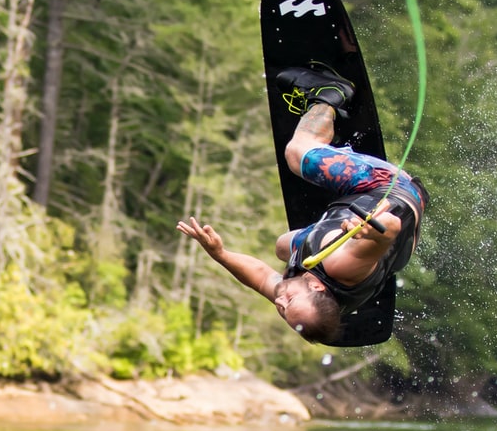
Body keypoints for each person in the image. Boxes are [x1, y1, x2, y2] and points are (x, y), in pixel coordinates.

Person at [177, 65, 425, 345]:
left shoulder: (296, 294)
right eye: (288, 301)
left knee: (283, 247)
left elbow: (259, 277)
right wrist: (374, 230)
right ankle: (330, 94)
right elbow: (389, 230)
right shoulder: (341, 266)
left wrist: (220, 254)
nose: (280, 300)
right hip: (385, 188)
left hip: (381, 236)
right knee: (296, 154)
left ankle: (329, 205)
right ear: (316, 285)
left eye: (281, 310)